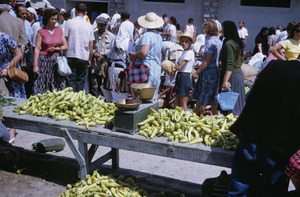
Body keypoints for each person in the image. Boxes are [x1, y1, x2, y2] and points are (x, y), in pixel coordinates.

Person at [227, 60, 300, 197]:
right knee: (272, 191)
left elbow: (248, 97)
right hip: (279, 146)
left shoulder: (272, 65)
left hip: (250, 135)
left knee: (239, 187)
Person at [129, 12, 163, 101]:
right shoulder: (158, 36)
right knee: (153, 96)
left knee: (144, 97)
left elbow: (144, 52)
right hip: (156, 68)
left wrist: (134, 55)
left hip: (146, 69)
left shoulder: (147, 35)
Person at [33, 8, 68, 94]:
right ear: (47, 19)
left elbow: (65, 46)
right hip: (44, 61)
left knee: (57, 86)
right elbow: (37, 49)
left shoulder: (59, 31)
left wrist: (57, 49)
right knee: (42, 85)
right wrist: (35, 65)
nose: (54, 21)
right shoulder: (41, 32)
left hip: (56, 62)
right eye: (52, 19)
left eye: (56, 19)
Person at [192, 20, 222, 115]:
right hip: (216, 72)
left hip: (208, 73)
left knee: (203, 93)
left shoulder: (210, 42)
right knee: (213, 96)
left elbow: (207, 61)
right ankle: (216, 116)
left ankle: (194, 113)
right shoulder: (219, 41)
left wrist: (197, 72)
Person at [0, 32, 26, 143]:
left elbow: (18, 54)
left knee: (15, 98)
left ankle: (11, 133)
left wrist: (7, 68)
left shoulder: (5, 38)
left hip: (10, 70)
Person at [64, 2, 94, 92]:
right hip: (83, 56)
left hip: (70, 55)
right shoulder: (89, 26)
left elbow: (65, 39)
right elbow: (91, 44)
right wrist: (90, 58)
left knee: (70, 81)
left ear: (75, 11)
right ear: (85, 12)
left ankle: (70, 101)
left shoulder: (69, 23)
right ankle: (78, 101)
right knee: (80, 82)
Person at [220, 21, 245, 116]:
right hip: (238, 75)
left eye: (222, 28)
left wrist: (225, 81)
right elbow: (240, 60)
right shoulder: (238, 42)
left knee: (230, 107)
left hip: (231, 77)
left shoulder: (229, 44)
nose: (221, 30)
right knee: (238, 105)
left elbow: (230, 64)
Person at [90, 17, 115, 97]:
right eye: (98, 25)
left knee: (105, 83)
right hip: (95, 64)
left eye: (101, 25)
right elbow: (90, 47)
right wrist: (93, 53)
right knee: (94, 83)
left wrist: (106, 54)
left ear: (105, 25)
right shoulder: (93, 35)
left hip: (106, 64)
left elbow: (113, 50)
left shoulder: (111, 37)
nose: (99, 27)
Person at [15, 3, 34, 98]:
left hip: (27, 51)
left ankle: (28, 94)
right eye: (22, 13)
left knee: (28, 75)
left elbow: (29, 40)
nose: (24, 15)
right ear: (16, 13)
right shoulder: (16, 22)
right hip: (19, 51)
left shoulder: (27, 23)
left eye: (25, 13)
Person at [174, 31, 195, 111]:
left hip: (184, 77)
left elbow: (179, 67)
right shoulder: (184, 52)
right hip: (180, 76)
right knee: (177, 102)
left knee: (183, 103)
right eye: (182, 41)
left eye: (186, 42)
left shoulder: (189, 53)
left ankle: (186, 118)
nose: (184, 43)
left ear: (190, 42)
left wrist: (175, 66)